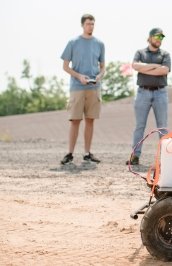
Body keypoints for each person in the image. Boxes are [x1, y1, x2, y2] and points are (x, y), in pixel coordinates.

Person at [60, 14, 105, 165]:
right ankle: (70, 153)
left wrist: (99, 76)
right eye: (88, 24)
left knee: (90, 120)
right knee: (75, 121)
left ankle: (87, 153)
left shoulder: (100, 44)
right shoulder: (73, 43)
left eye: (93, 24)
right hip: (77, 87)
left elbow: (103, 67)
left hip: (94, 87)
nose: (91, 26)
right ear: (82, 25)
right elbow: (65, 67)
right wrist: (79, 76)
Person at [126, 28, 171, 165]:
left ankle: (166, 158)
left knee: (162, 127)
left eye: (161, 37)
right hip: (142, 93)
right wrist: (154, 66)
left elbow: (164, 70)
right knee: (140, 126)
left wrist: (145, 69)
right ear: (150, 37)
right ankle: (135, 156)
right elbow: (135, 66)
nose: (159, 39)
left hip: (160, 92)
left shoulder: (165, 54)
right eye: (157, 36)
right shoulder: (140, 53)